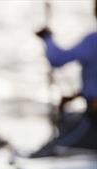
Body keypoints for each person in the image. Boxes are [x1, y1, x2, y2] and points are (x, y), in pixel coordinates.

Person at [32, 5, 97, 156]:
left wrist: (47, 38)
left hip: (94, 117)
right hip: (91, 109)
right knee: (68, 122)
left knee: (56, 148)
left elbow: (57, 58)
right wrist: (76, 96)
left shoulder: (93, 41)